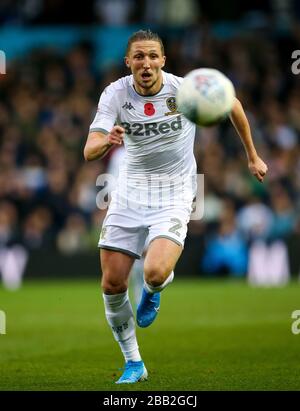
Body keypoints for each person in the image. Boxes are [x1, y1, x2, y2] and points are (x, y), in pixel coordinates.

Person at [84, 29, 268, 384]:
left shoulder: (184, 90)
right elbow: (88, 149)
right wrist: (107, 142)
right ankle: (134, 363)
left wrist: (252, 156)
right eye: (138, 56)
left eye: (153, 55)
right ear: (128, 62)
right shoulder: (116, 94)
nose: (146, 62)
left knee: (153, 273)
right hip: (129, 192)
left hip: (175, 193)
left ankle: (153, 291)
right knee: (111, 283)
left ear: (163, 60)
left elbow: (231, 103)